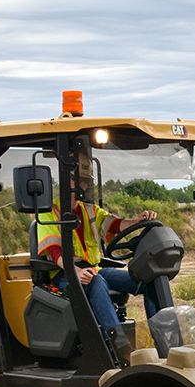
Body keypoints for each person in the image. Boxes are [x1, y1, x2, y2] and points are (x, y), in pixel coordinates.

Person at [33, 153, 162, 358]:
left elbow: (115, 225)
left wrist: (137, 220)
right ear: (69, 182)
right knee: (97, 281)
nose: (86, 185)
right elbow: (55, 252)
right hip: (64, 274)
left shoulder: (90, 210)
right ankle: (120, 350)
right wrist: (76, 271)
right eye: (82, 181)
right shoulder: (48, 213)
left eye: (87, 181)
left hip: (94, 268)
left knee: (148, 280)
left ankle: (163, 344)